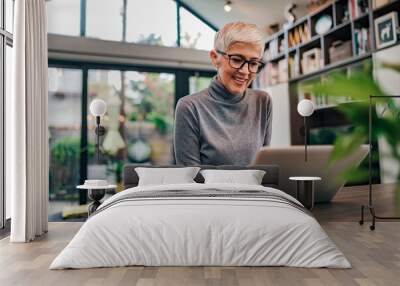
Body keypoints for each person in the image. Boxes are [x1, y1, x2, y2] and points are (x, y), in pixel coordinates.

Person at [174, 22, 272, 165]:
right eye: (237, 60)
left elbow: (264, 167)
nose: (245, 71)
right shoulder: (189, 107)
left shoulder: (263, 101)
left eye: (253, 63)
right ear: (215, 58)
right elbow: (189, 178)